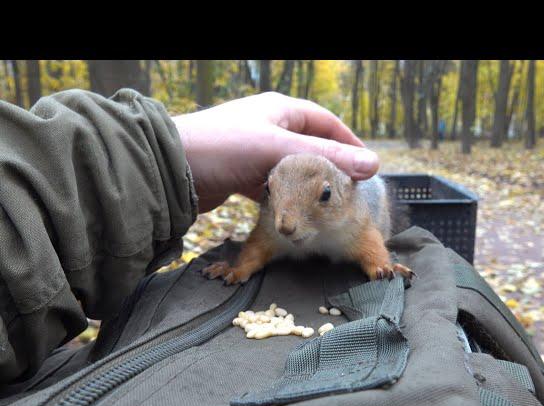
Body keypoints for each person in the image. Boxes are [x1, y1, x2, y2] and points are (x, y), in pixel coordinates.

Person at [0, 88, 379, 385]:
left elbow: (366, 239)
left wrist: (379, 265)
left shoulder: (353, 213)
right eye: (271, 193)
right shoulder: (276, 220)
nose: (284, 222)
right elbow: (264, 241)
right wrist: (240, 269)